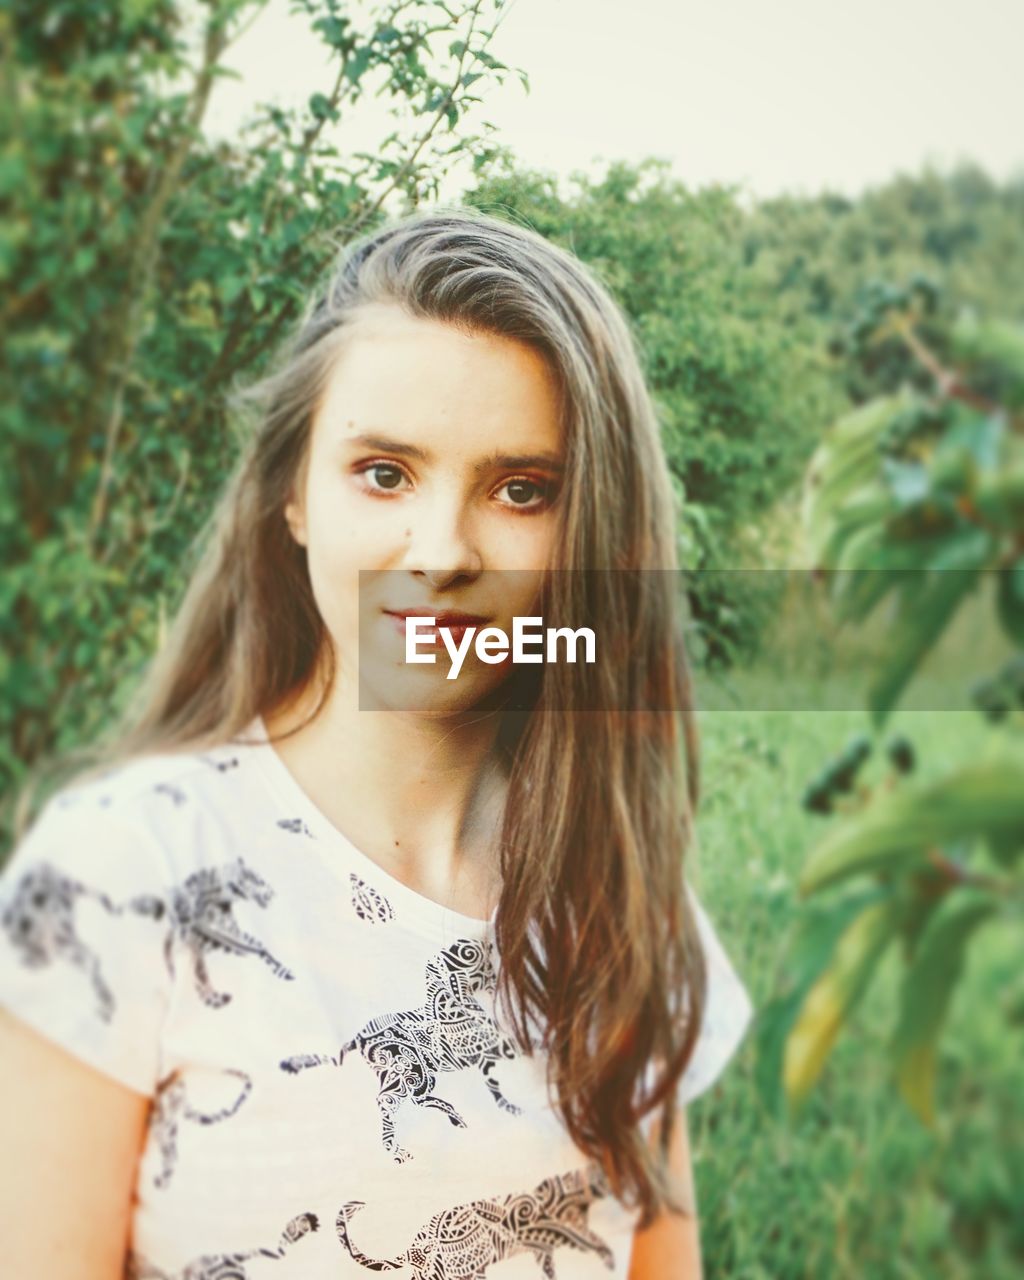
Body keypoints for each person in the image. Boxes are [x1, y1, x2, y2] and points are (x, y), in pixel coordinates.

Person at [0, 209, 753, 1279]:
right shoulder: (121, 870)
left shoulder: (622, 894)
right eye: (385, 473)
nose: (441, 550)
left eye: (520, 488)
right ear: (293, 495)